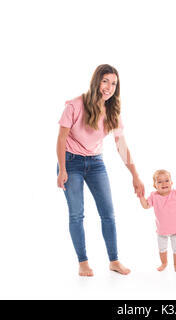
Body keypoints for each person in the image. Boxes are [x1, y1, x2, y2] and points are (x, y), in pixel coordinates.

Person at [56, 64, 145, 277]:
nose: (109, 87)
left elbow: (121, 145)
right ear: (97, 81)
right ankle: (83, 262)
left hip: (95, 163)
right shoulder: (75, 105)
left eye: (113, 83)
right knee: (77, 214)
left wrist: (135, 175)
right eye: (105, 81)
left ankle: (114, 261)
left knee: (108, 214)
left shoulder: (112, 111)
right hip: (71, 161)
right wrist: (62, 170)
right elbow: (61, 138)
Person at [138, 169, 176, 273]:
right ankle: (164, 263)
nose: (164, 183)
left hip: (175, 229)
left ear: (171, 183)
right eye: (159, 181)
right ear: (155, 185)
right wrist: (141, 196)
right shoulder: (154, 196)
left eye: (166, 180)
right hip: (161, 230)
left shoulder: (174, 193)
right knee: (162, 249)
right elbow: (146, 206)